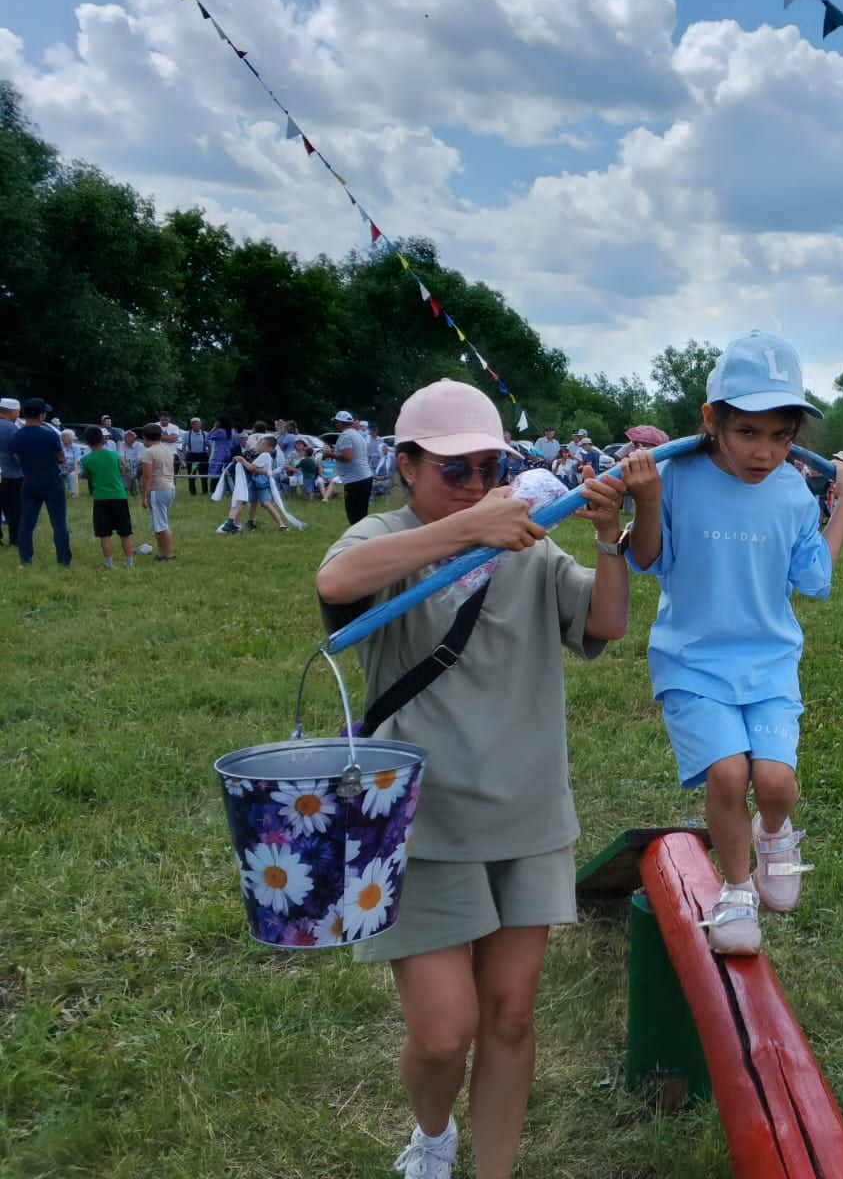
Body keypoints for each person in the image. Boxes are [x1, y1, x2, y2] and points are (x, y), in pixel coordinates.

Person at [316, 378, 641, 1179]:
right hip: (419, 822)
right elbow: (336, 585)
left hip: (527, 812)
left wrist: (608, 540)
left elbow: (604, 623)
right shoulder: (382, 534)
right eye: (453, 470)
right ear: (406, 465)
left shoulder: (530, 547)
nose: (473, 484)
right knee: (440, 1031)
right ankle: (433, 1135)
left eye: (488, 468)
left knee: (510, 1015)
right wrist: (467, 528)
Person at [625, 331, 843, 957]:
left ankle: (775, 834)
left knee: (776, 782)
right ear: (712, 421)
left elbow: (814, 576)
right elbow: (647, 558)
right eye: (747, 433)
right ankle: (735, 890)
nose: (765, 452)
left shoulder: (791, 489)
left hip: (769, 662)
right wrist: (648, 498)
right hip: (692, 660)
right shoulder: (677, 474)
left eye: (781, 436)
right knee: (729, 774)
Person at [10, 398, 71, 566]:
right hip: (52, 482)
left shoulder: (17, 436)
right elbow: (61, 458)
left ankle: (26, 559)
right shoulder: (49, 434)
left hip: (29, 482)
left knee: (27, 523)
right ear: (41, 416)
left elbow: (16, 458)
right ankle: (64, 560)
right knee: (59, 523)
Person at [79, 426, 136, 569]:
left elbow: (87, 475)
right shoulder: (114, 455)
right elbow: (125, 470)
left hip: (100, 498)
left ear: (87, 442)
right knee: (125, 532)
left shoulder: (86, 459)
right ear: (103, 439)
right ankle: (129, 562)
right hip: (118, 496)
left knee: (104, 534)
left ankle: (109, 564)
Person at [139, 423, 177, 561]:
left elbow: (147, 476)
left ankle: (168, 554)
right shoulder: (166, 449)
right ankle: (162, 553)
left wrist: (143, 496)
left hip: (158, 489)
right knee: (159, 522)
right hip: (170, 488)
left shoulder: (149, 452)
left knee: (161, 524)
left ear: (145, 437)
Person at [332, 410, 375, 525]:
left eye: (336, 422)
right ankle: (366, 539)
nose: (335, 424)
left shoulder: (346, 435)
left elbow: (347, 457)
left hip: (355, 480)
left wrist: (329, 454)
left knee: (354, 517)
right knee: (362, 514)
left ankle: (358, 540)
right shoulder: (357, 434)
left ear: (341, 423)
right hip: (364, 477)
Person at [0, 397, 22, 546]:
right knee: (14, 509)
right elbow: (17, 453)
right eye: (18, 412)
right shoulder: (12, 428)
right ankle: (15, 540)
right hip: (11, 475)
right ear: (12, 412)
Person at [182, 417, 210, 495]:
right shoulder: (187, 434)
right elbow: (183, 446)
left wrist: (208, 455)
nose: (196, 425)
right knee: (192, 474)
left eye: (197, 423)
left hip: (203, 456)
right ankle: (192, 492)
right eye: (194, 424)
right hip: (192, 456)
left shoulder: (205, 434)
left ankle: (205, 491)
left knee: (204, 475)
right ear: (191, 425)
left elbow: (209, 446)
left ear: (201, 424)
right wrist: (185, 456)